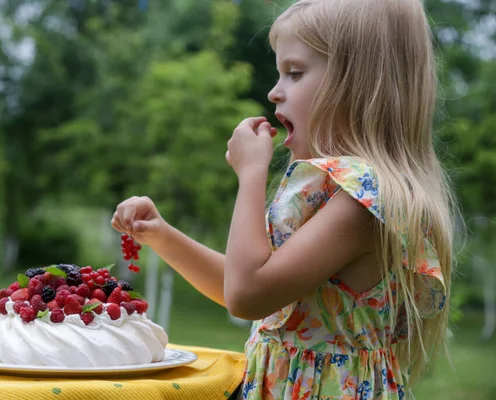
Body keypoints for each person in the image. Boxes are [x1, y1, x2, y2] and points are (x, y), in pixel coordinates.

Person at [111, 0, 457, 398]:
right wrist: (162, 236)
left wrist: (251, 175)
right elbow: (248, 287)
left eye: (294, 73)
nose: (275, 92)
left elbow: (248, 296)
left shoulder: (364, 202)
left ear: (358, 85)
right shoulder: (336, 191)